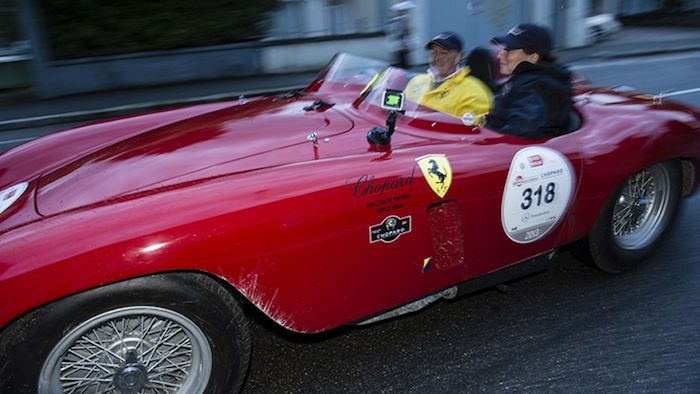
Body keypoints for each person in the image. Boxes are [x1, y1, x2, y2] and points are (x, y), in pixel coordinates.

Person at [485, 24, 573, 138]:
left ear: (533, 57)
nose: (500, 55)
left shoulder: (535, 86)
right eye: (504, 49)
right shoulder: (525, 80)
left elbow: (521, 131)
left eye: (510, 51)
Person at [404, 32, 492, 125]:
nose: (437, 58)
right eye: (433, 52)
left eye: (444, 53)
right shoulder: (417, 81)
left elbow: (470, 132)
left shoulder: (473, 91)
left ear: (458, 57)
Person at [387, 1, 417, 68]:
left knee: (404, 61)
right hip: (400, 45)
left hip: (402, 46)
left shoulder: (402, 19)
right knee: (402, 62)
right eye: (405, 11)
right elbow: (401, 33)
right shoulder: (398, 20)